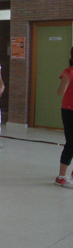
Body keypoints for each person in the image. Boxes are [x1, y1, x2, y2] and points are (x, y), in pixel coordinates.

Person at [55, 47, 73, 188]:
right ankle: (61, 177)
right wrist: (66, 82)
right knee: (71, 143)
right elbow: (60, 92)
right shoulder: (68, 72)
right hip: (69, 111)